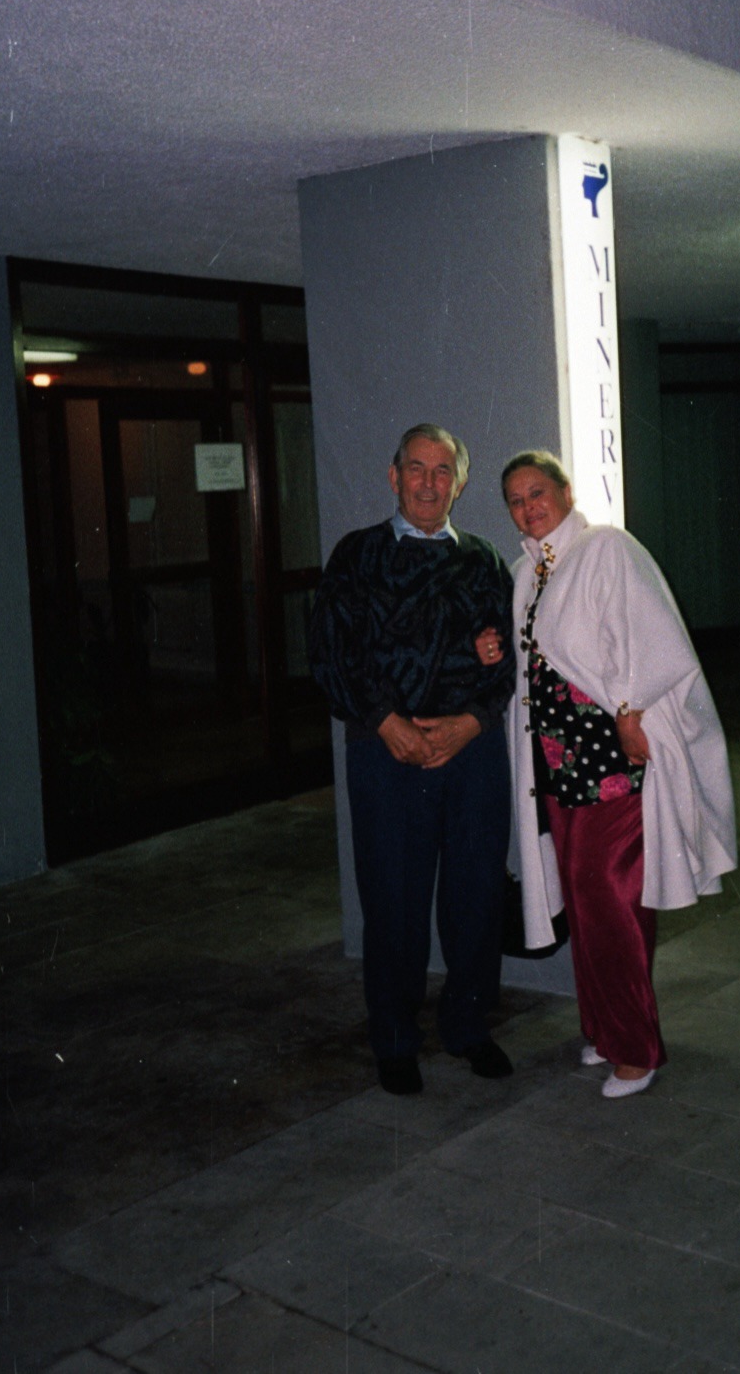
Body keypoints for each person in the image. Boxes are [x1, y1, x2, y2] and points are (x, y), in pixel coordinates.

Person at [480, 450, 736, 1099]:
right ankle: (602, 1027)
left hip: (608, 762)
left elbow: (650, 638)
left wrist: (631, 709)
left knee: (609, 900)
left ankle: (635, 1047)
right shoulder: (526, 571)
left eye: (538, 492)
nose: (528, 507)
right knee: (582, 896)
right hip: (557, 769)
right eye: (515, 499)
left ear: (565, 492)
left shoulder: (604, 549)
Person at [309, 424, 516, 1096]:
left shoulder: (483, 560)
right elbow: (331, 650)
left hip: (470, 752)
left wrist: (470, 722)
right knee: (392, 902)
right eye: (416, 468)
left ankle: (466, 1025)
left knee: (476, 894)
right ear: (393, 476)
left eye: (442, 471)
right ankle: (395, 1038)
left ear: (458, 482)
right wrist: (384, 722)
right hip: (385, 752)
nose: (429, 482)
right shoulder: (357, 554)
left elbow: (507, 659)